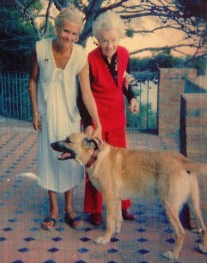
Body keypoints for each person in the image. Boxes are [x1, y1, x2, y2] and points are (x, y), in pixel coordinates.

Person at [28, 5, 102, 231]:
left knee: (70, 159)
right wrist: (35, 112)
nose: (69, 37)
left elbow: (86, 92)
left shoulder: (80, 55)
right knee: (50, 159)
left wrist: (96, 123)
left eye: (74, 34)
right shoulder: (40, 49)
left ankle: (70, 209)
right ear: (57, 28)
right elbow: (32, 81)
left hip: (71, 118)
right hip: (48, 116)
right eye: (65, 31)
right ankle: (53, 210)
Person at [78, 11, 139, 226]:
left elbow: (125, 80)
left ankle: (123, 206)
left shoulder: (124, 54)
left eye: (113, 40)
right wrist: (87, 124)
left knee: (121, 164)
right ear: (97, 39)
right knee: (94, 163)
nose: (109, 45)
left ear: (119, 38)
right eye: (105, 40)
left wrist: (132, 98)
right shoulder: (90, 59)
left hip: (117, 116)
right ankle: (94, 209)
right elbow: (81, 96)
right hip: (97, 119)